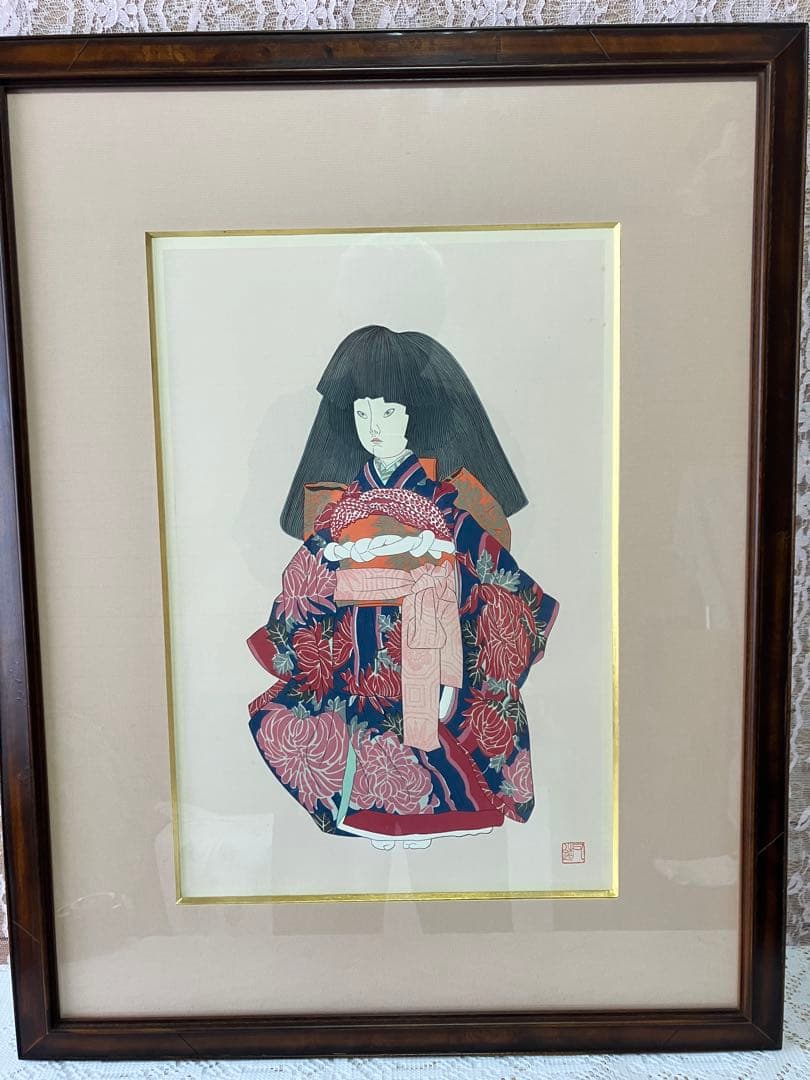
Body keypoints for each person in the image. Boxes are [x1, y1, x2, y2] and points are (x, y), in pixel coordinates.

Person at [246, 325, 558, 849]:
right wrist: (323, 583)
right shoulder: (343, 506)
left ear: (413, 415)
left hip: (430, 648)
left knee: (429, 737)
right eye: (363, 412)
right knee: (349, 737)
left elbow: (502, 584)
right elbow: (305, 579)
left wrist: (456, 620)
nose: (374, 427)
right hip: (360, 653)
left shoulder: (445, 507)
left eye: (388, 412)